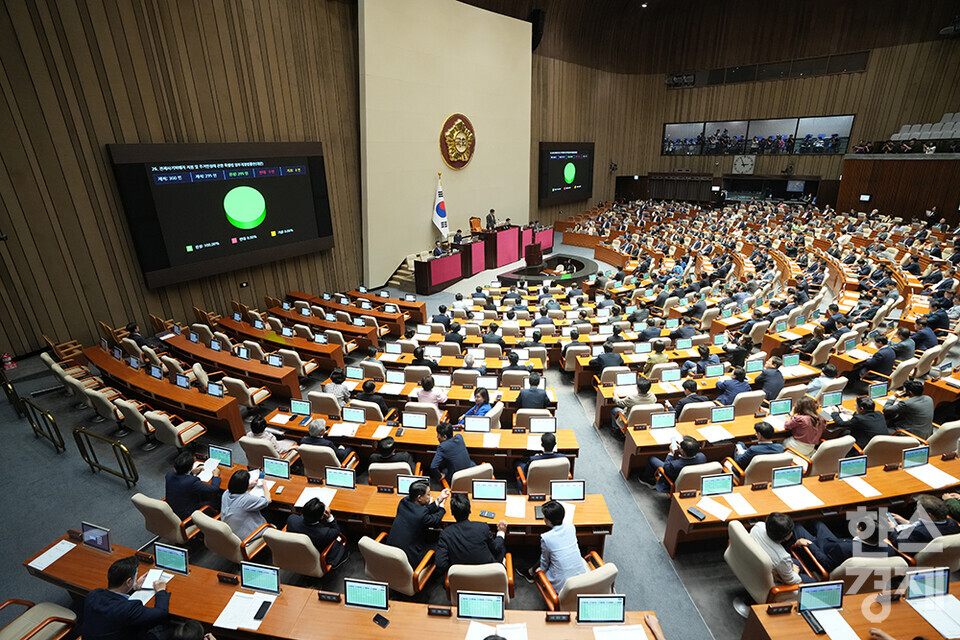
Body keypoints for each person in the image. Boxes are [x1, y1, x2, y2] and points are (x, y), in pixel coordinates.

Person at [82, 555, 170, 640]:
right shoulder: (128, 609)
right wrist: (160, 590)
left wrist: (133, 588)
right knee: (168, 628)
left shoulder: (93, 595)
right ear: (128, 581)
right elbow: (161, 613)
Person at [793, 512, 897, 573]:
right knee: (817, 523)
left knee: (797, 526)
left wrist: (810, 544)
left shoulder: (843, 549)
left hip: (823, 550)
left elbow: (827, 564)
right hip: (836, 544)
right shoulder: (889, 550)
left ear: (860, 529)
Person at [517, 500, 586, 592]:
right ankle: (531, 570)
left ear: (549, 521)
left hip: (562, 586)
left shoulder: (546, 538)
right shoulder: (571, 526)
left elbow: (544, 561)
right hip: (581, 577)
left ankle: (530, 573)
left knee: (544, 557)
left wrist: (540, 571)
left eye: (544, 517)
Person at [435, 493, 507, 574]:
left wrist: (454, 569)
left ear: (452, 513)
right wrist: (501, 532)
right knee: (501, 547)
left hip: (460, 579)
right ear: (470, 511)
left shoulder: (445, 534)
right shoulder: (482, 527)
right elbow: (496, 548)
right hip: (488, 574)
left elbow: (440, 564)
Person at [387, 479, 450, 567]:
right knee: (442, 544)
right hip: (409, 558)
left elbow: (424, 510)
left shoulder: (404, 501)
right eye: (428, 494)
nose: (430, 496)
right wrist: (442, 508)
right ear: (419, 498)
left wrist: (439, 499)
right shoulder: (420, 515)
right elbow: (435, 519)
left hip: (391, 553)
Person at [286, 497, 347, 567]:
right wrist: (330, 517)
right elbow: (336, 531)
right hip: (318, 554)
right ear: (322, 516)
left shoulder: (291, 519)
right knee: (342, 528)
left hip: (295, 552)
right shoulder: (324, 533)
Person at [750, 513, 807, 585]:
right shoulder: (782, 557)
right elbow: (791, 581)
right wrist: (796, 572)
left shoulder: (758, 527)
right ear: (786, 537)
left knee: (798, 564)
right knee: (811, 581)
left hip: (756, 563)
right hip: (773, 578)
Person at [165, 449, 221, 520]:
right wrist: (216, 476)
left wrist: (192, 472)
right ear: (191, 466)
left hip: (173, 510)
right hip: (186, 516)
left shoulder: (169, 475)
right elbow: (214, 489)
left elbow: (181, 477)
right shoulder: (191, 482)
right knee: (217, 500)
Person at [890, 494, 960, 550]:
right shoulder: (953, 523)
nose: (917, 511)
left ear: (929, 515)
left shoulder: (919, 533)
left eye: (918, 509)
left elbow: (900, 544)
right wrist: (907, 522)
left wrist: (893, 529)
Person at [640, 435, 707, 492]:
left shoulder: (674, 465)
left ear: (683, 451)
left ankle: (646, 479)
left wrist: (671, 453)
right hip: (692, 482)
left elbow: (666, 467)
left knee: (651, 459)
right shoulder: (702, 457)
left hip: (673, 483)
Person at [220, 469, 270, 540]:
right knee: (271, 515)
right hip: (248, 537)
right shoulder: (246, 500)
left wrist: (249, 485)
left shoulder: (226, 493)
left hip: (232, 532)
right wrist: (264, 485)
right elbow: (268, 500)